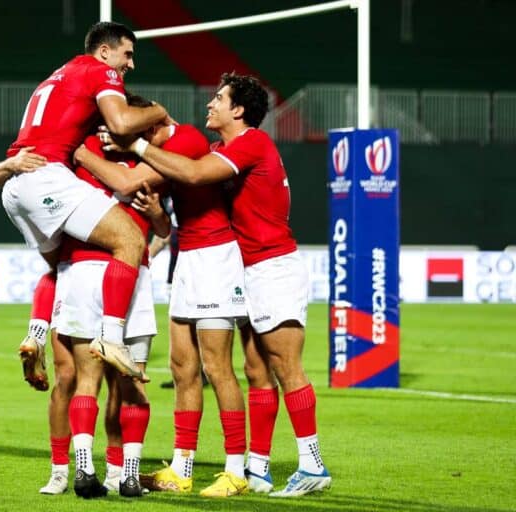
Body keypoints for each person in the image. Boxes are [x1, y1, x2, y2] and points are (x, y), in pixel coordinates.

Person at [105, 72, 332, 498]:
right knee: (254, 370)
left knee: (282, 368)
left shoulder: (250, 144)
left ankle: (311, 463)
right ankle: (256, 469)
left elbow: (190, 174)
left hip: (272, 264)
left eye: (219, 98)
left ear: (239, 110)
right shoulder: (222, 149)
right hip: (245, 265)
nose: (210, 104)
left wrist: (134, 144)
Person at [0, 21, 169, 387]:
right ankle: (110, 336)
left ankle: (36, 335)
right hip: (47, 175)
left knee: (58, 267)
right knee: (130, 241)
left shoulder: (56, 76)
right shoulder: (99, 70)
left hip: (15, 186)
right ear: (105, 51)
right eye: (128, 54)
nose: (130, 65)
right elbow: (121, 123)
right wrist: (157, 111)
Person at [85, 118, 250, 497]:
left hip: (215, 256)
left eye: (140, 136)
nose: (137, 143)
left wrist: (86, 150)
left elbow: (127, 181)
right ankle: (182, 467)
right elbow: (164, 225)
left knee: (217, 366)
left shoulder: (188, 137)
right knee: (182, 367)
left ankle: (235, 470)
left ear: (156, 125)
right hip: (188, 258)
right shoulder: (163, 152)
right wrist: (158, 210)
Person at [48, 129, 169, 499]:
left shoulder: (75, 159)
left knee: (88, 379)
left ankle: (87, 469)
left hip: (83, 272)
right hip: (131, 275)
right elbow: (163, 229)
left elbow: (163, 227)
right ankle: (127, 476)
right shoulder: (146, 167)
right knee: (132, 383)